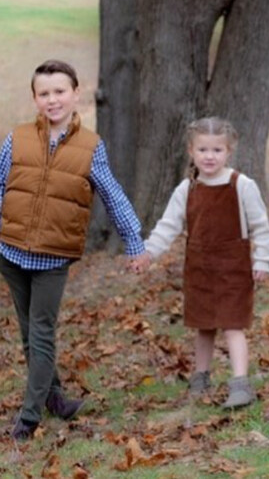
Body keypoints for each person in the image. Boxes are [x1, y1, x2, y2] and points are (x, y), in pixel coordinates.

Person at [0, 60, 146, 441]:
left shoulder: (90, 147)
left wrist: (134, 241)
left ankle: (29, 418)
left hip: (51, 258)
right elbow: (0, 186)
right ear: (35, 99)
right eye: (44, 93)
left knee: (42, 331)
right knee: (30, 334)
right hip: (12, 252)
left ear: (76, 93)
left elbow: (112, 196)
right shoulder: (17, 138)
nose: (53, 100)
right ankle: (56, 401)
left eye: (60, 91)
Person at [132, 117, 269, 408]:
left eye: (217, 150)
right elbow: (168, 226)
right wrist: (147, 253)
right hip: (199, 267)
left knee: (233, 325)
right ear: (191, 151)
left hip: (234, 269)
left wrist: (262, 260)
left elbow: (261, 226)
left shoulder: (241, 185)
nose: (210, 157)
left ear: (229, 151)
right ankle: (201, 377)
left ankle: (240, 384)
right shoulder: (187, 188)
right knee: (204, 325)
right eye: (204, 150)